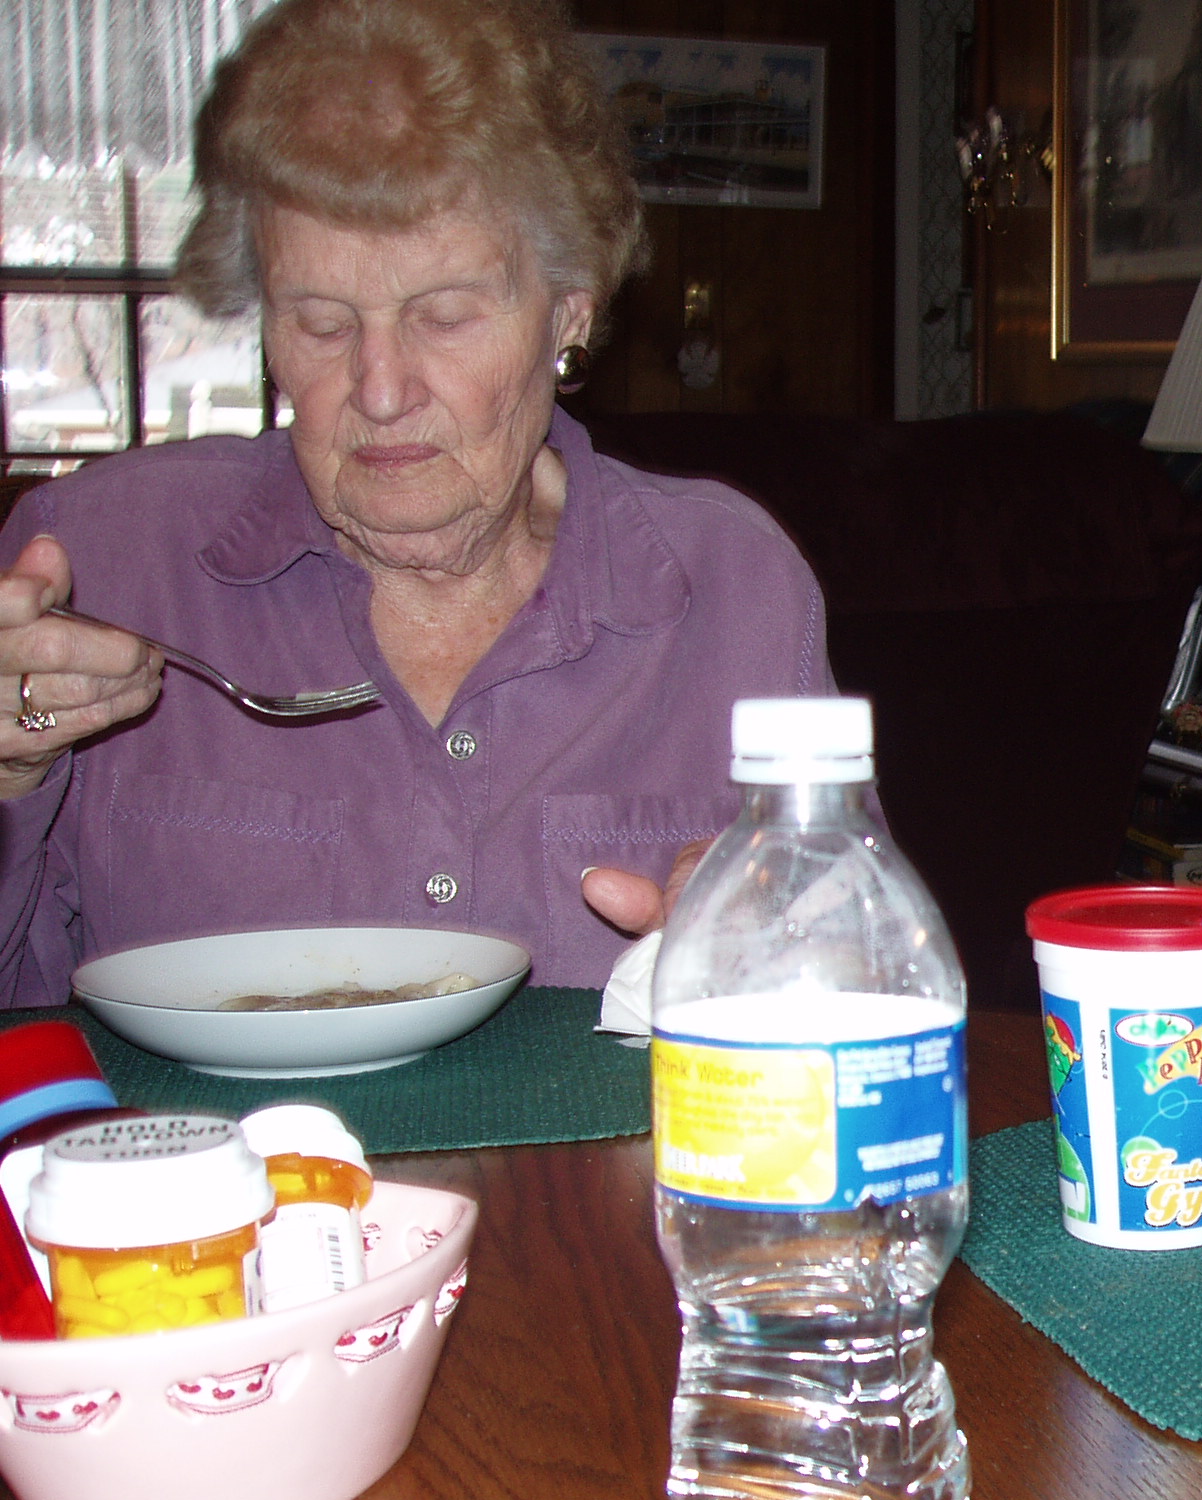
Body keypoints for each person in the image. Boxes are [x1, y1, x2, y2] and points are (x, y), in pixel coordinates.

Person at [0, 0, 828, 1003]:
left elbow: (857, 971)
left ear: (567, 315)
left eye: (442, 317)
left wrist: (785, 958)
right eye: (322, 324)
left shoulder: (733, 589)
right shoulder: (99, 564)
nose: (382, 389)